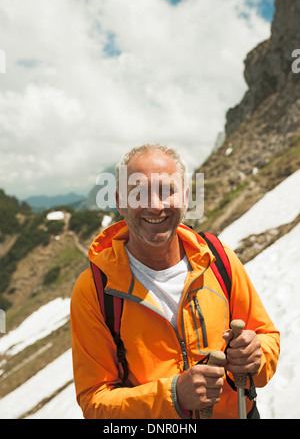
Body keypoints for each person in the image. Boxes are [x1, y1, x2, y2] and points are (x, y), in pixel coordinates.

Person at [70, 143, 280, 419]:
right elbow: (94, 401)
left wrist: (257, 356)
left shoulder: (219, 259)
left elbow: (267, 338)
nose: (155, 206)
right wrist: (174, 396)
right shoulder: (94, 290)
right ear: (120, 202)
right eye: (139, 193)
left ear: (186, 197)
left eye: (167, 191)